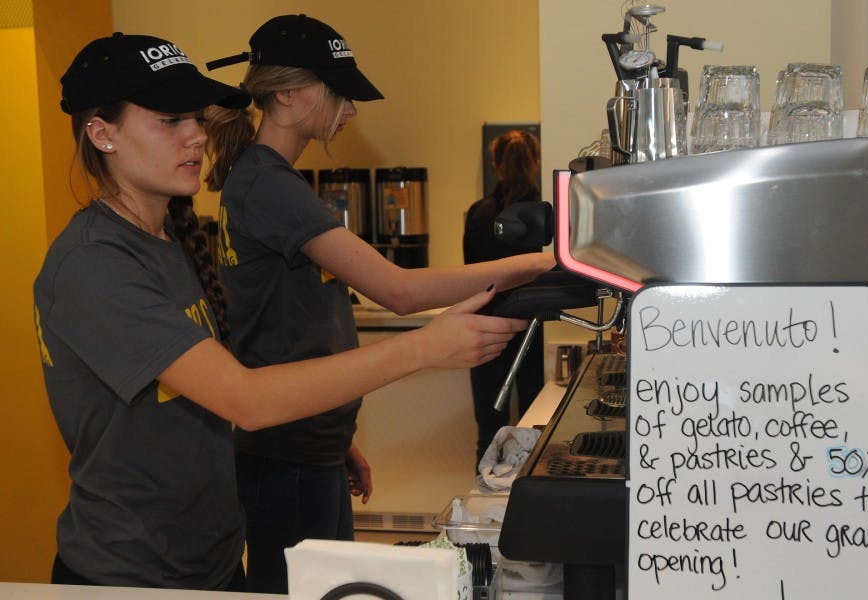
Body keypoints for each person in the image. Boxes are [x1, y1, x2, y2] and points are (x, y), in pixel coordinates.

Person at [34, 31, 536, 591]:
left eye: (196, 118)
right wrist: (423, 346)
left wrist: (328, 430)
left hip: (211, 560)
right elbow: (243, 399)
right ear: (102, 134)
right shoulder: (93, 265)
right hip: (131, 575)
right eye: (170, 121)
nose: (197, 135)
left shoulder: (166, 240)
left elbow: (215, 372)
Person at [203, 14, 555, 594]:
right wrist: (535, 263)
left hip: (308, 442)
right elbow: (399, 291)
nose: (351, 110)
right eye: (339, 93)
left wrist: (338, 434)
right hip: (287, 451)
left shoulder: (266, 180)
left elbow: (293, 323)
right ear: (288, 93)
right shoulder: (268, 184)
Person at [463, 130, 546, 464]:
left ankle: (483, 509)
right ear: (535, 163)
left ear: (496, 165)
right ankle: (528, 505)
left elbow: (469, 277)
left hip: (485, 329)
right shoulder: (544, 215)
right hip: (532, 329)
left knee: (489, 434)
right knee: (533, 427)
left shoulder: (479, 213)